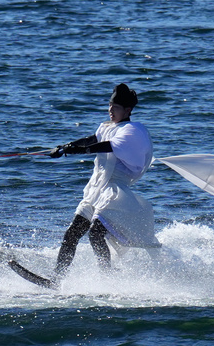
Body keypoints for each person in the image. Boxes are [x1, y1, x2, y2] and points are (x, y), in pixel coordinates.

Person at [49, 83, 161, 276]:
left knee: (95, 233)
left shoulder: (132, 130)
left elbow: (109, 146)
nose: (111, 110)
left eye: (115, 108)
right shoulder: (107, 127)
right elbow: (93, 140)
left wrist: (82, 151)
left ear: (127, 110)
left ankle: (107, 278)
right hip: (96, 190)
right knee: (71, 235)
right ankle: (56, 279)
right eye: (110, 106)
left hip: (114, 192)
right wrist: (66, 146)